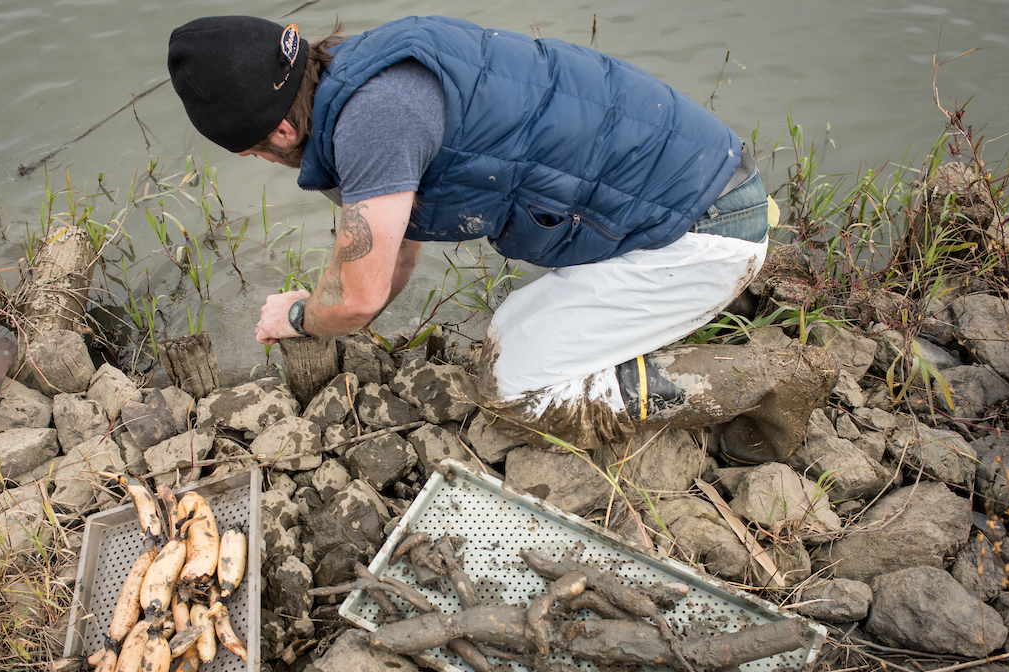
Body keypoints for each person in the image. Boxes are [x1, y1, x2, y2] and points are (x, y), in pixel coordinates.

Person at [167, 15, 836, 460]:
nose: (262, 160)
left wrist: (298, 315)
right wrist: (326, 302)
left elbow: (362, 297)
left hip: (702, 230)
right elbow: (393, 249)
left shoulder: (374, 126)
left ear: (280, 134)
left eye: (253, 151)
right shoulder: (364, 71)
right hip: (696, 183)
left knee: (514, 389)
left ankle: (768, 380)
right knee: (508, 337)